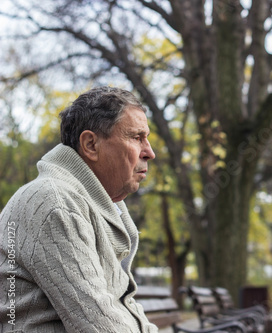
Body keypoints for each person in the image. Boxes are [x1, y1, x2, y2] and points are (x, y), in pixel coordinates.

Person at [0, 87, 158, 332]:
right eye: (136, 137)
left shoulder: (95, 203)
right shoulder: (55, 202)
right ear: (91, 144)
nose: (149, 152)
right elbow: (99, 325)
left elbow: (124, 307)